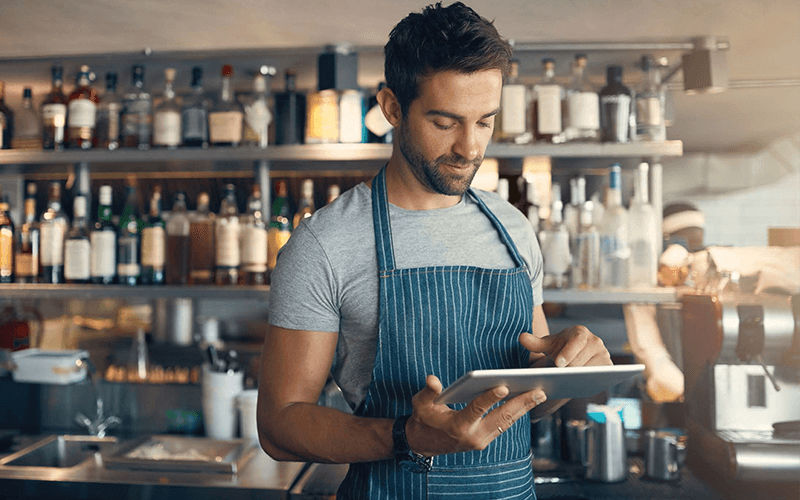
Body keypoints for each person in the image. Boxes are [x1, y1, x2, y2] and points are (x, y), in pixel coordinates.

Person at [257, 3, 611, 498]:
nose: (469, 148)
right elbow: (279, 425)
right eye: (445, 123)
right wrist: (406, 436)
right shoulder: (325, 244)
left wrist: (571, 370)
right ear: (393, 107)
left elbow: (531, 396)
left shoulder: (513, 228)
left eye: (485, 121)